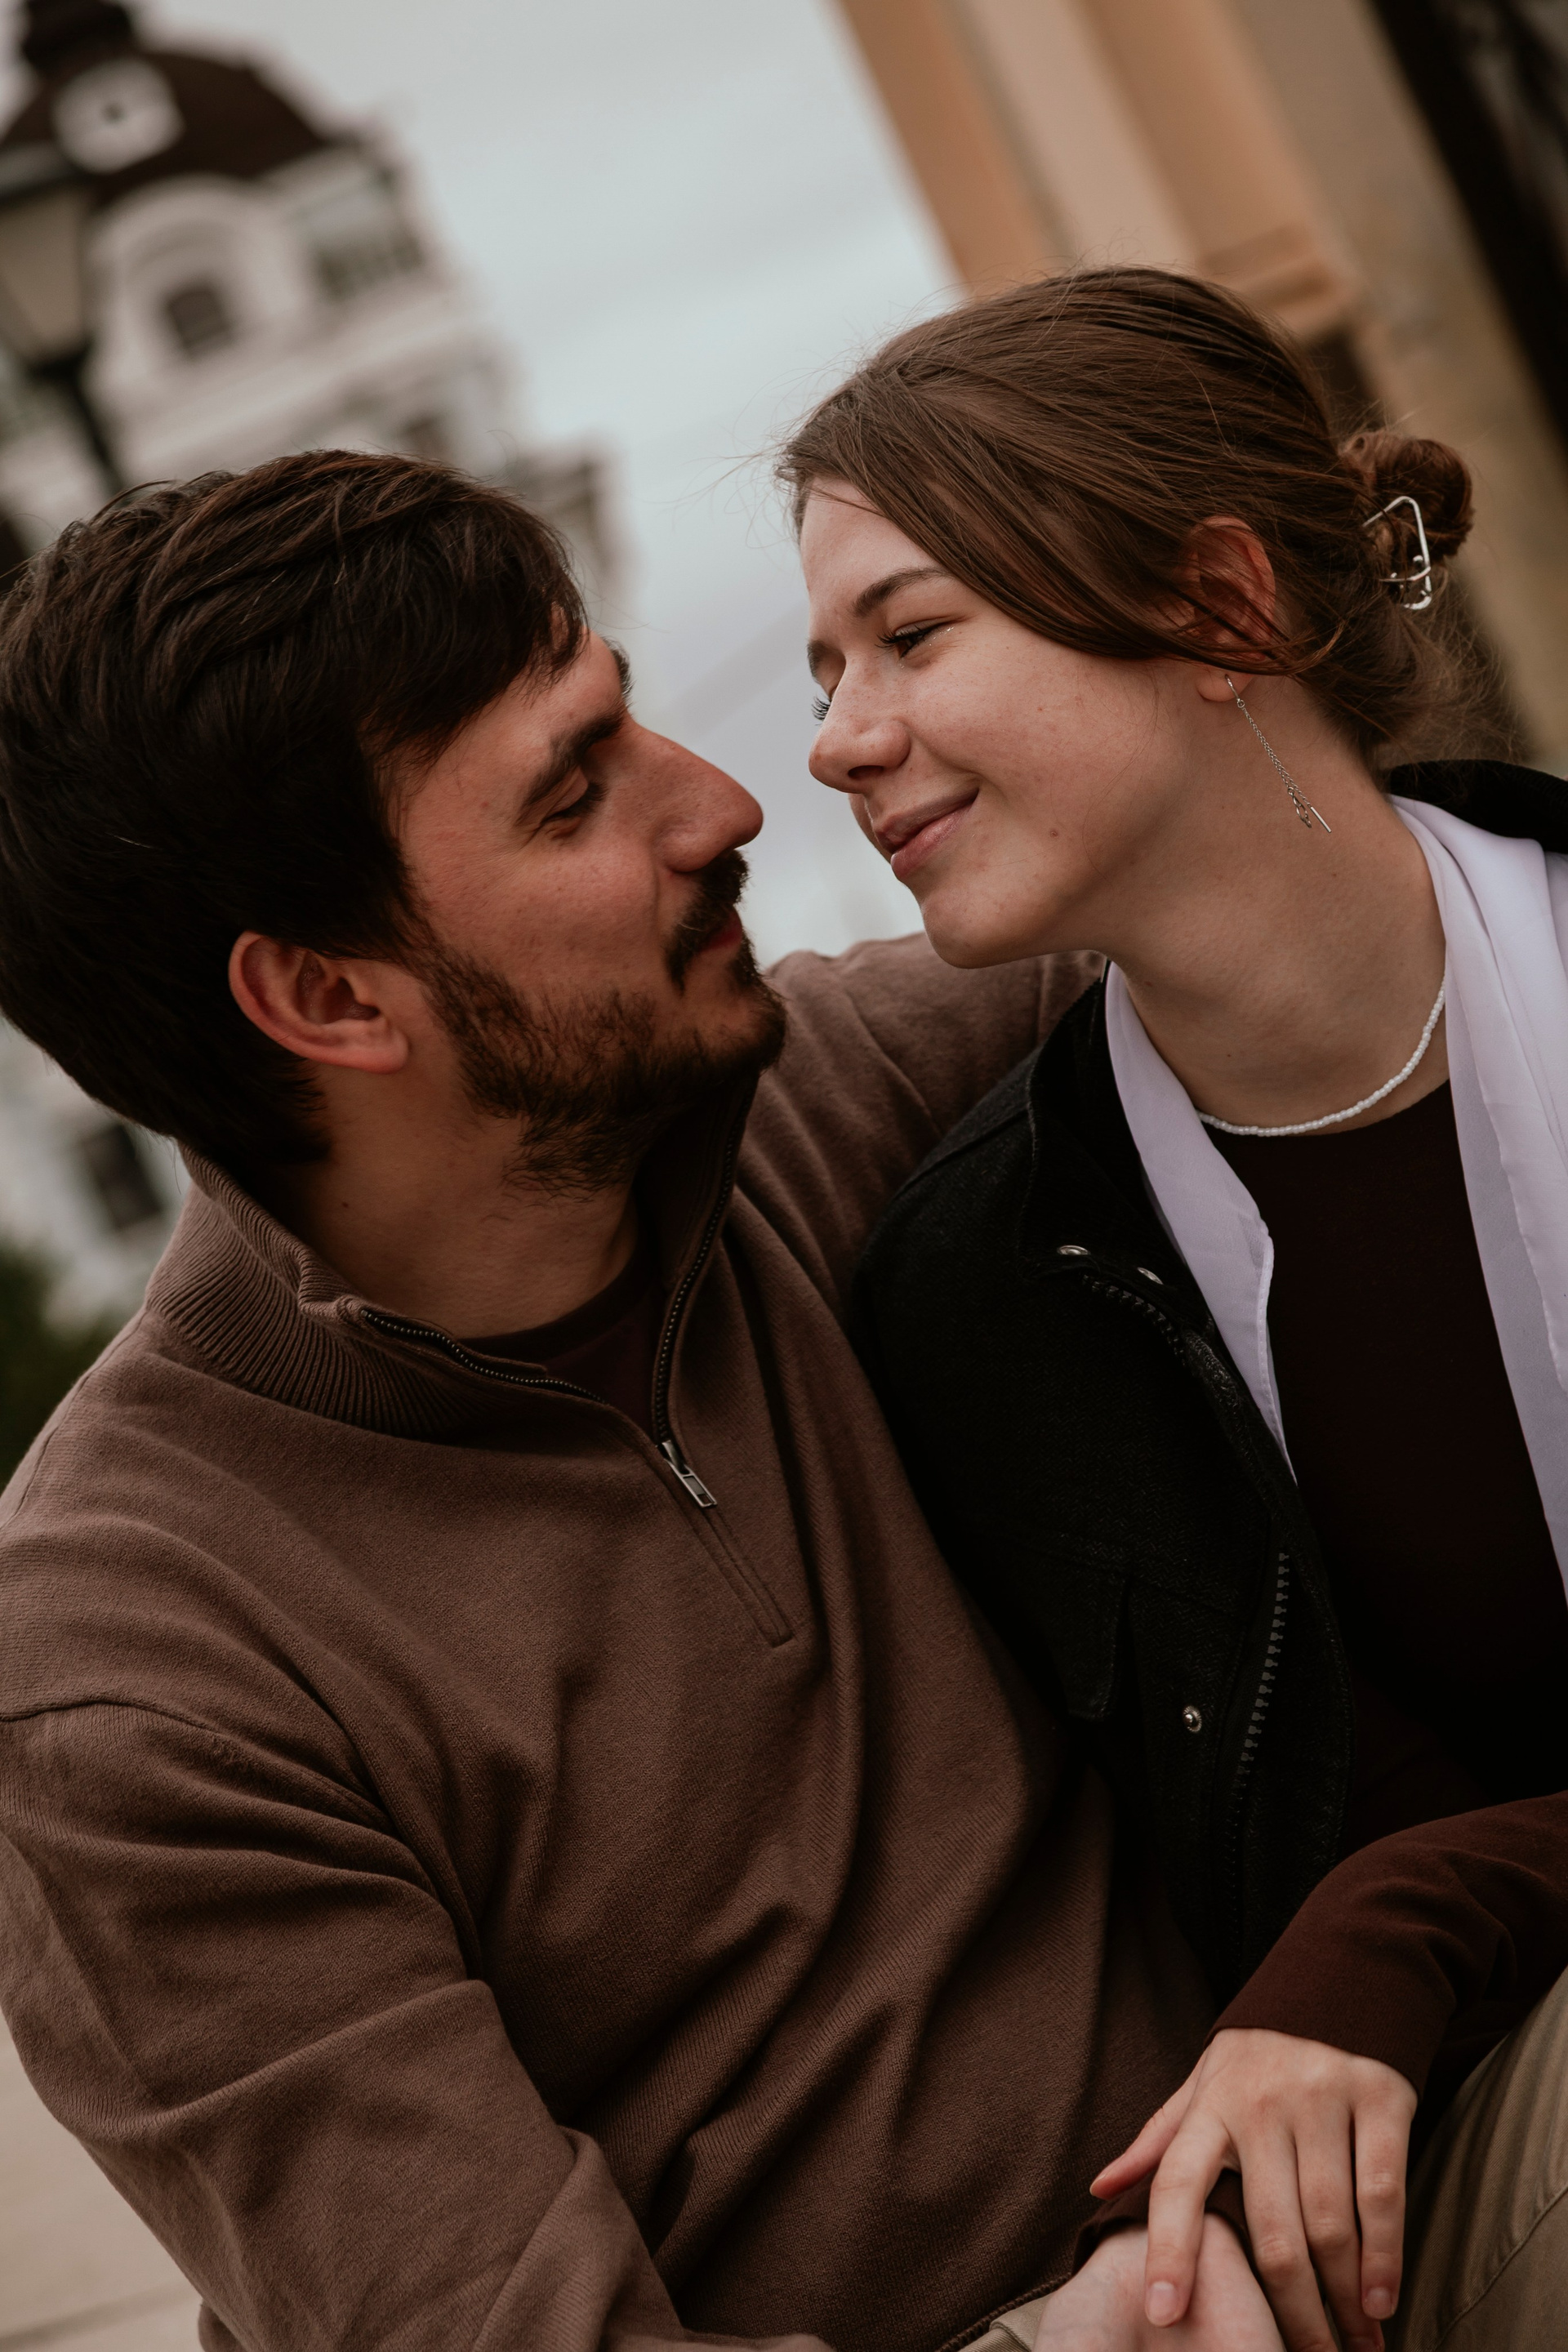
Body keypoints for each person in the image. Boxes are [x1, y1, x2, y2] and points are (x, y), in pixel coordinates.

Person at [0, 449, 1286, 2352]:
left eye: (629, 714)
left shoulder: (841, 1098)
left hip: (1349, 2166)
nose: (728, 803)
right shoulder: (132, 1664)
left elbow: (1322, 903)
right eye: (575, 790)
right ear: (331, 1002)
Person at [788, 266, 1568, 2352]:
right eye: (827, 668)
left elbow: (1397, 1885)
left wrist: (1412, 1914)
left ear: (1221, 606)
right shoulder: (992, 1293)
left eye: (913, 634)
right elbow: (1332, 1822)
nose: (837, 740)